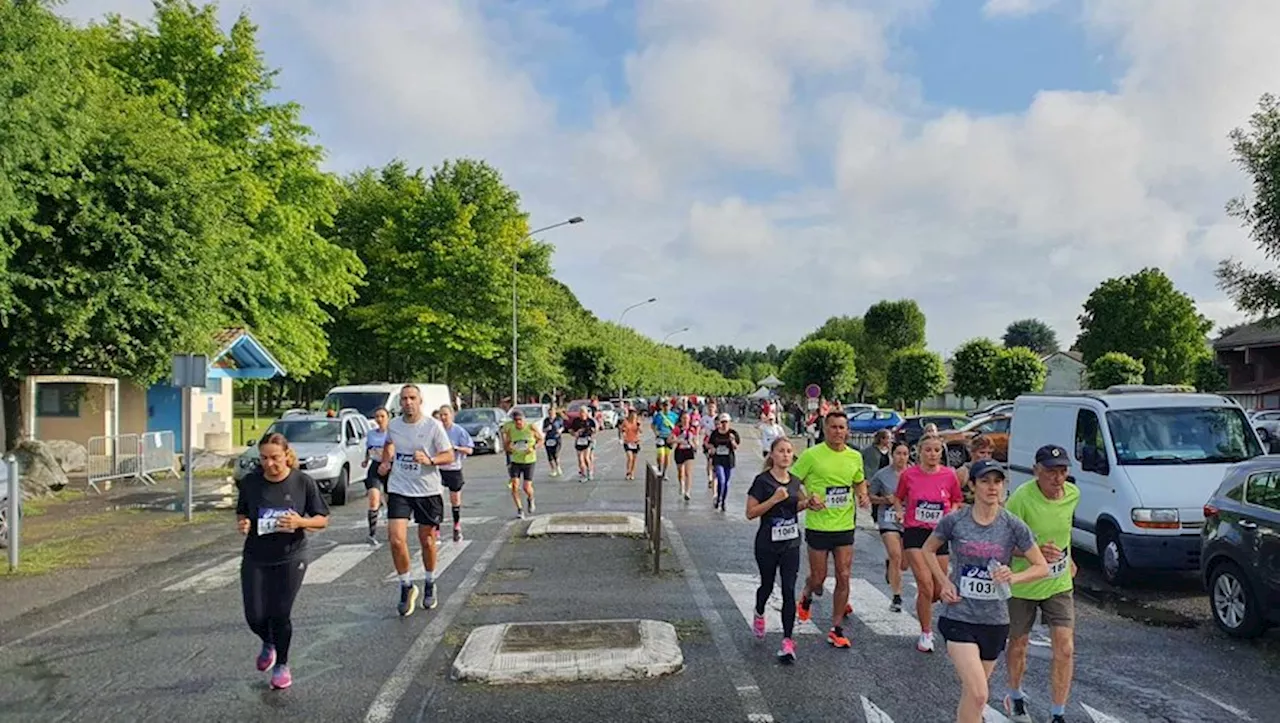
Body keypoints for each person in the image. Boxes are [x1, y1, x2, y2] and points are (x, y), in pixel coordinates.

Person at [924, 459, 1049, 723]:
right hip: (958, 616)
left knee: (972, 697)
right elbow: (927, 549)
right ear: (972, 485)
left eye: (998, 481)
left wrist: (1014, 576)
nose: (992, 487)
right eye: (985, 481)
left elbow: (1041, 567)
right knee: (980, 693)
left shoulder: (1012, 525)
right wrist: (943, 582)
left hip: (995, 621)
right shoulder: (955, 521)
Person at [236, 432, 329, 690]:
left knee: (279, 613)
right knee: (254, 615)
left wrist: (301, 522)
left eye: (275, 458)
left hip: (290, 556)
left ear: (286, 456)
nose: (269, 464)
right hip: (256, 555)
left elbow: (322, 519)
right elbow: (243, 512)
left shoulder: (302, 482)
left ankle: (282, 665)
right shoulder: (251, 483)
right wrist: (243, 523)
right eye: (263, 458)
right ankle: (268, 642)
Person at [1003, 445, 1080, 723]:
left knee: (1065, 647)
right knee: (1019, 644)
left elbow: (1064, 529)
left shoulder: (1073, 494)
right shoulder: (1021, 499)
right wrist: (1032, 553)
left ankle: (1058, 713)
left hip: (1058, 583)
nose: (1057, 478)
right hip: (1024, 583)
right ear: (1036, 471)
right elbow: (1002, 542)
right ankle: (1014, 694)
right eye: (1050, 472)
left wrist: (1068, 557)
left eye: (1062, 471)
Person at [793, 411, 868, 649]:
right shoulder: (811, 455)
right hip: (819, 524)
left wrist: (863, 494)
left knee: (844, 575)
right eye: (833, 427)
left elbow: (858, 481)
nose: (838, 431)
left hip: (844, 524)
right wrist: (806, 500)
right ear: (825, 429)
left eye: (842, 427)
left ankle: (836, 628)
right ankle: (806, 593)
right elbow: (793, 482)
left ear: (847, 430)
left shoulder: (855, 456)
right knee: (819, 579)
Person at [378, 384, 455, 617]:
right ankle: (406, 585)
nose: (408, 402)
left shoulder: (433, 426)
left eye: (412, 398)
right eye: (404, 399)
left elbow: (449, 455)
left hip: (427, 490)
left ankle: (430, 581)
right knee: (396, 539)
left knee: (427, 540)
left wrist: (430, 459)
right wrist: (385, 461)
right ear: (399, 402)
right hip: (400, 487)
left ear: (420, 401)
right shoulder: (394, 425)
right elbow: (388, 443)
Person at [894, 434, 965, 653]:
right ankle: (926, 633)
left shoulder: (949, 475)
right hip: (915, 532)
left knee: (937, 589)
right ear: (920, 452)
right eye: (928, 450)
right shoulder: (909, 475)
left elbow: (957, 500)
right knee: (925, 584)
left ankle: (923, 600)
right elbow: (898, 498)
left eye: (936, 450)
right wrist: (899, 512)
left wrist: (951, 514)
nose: (932, 454)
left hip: (940, 534)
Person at [746, 435, 812, 663]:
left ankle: (787, 641)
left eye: (789, 451)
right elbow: (750, 513)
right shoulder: (762, 481)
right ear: (772, 455)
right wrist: (773, 500)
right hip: (767, 543)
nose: (785, 455)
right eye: (781, 451)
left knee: (788, 590)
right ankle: (759, 611)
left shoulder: (795, 482)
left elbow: (799, 504)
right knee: (766, 585)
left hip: (791, 543)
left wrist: (809, 503)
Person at [869, 441, 909, 612]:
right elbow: (870, 496)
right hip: (887, 519)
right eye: (898, 453)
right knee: (896, 555)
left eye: (905, 454)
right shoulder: (882, 475)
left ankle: (891, 566)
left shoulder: (914, 474)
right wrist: (885, 500)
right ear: (892, 455)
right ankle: (897, 596)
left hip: (908, 521)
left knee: (905, 564)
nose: (901, 457)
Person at [437, 405, 474, 542]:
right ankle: (436, 529)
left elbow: (470, 450)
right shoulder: (436, 430)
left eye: (445, 414)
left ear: (452, 415)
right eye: (441, 415)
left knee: (455, 501)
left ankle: (457, 526)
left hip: (454, 469)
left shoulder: (459, 431)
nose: (443, 417)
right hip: (438, 469)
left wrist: (457, 448)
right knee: (436, 500)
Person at [505, 409, 543, 519]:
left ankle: (531, 498)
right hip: (516, 461)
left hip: (529, 460)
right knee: (514, 486)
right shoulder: (510, 429)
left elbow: (541, 440)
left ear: (524, 419)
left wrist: (534, 448)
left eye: (520, 420)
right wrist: (509, 448)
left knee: (526, 487)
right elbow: (506, 444)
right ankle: (520, 509)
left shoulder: (531, 427)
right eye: (515, 420)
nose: (518, 422)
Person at [363, 407, 390, 547]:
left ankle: (393, 529)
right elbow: (369, 449)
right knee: (373, 500)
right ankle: (371, 533)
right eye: (377, 417)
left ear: (388, 417)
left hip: (391, 468)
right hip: (375, 467)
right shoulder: (371, 434)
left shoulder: (392, 433)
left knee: (390, 501)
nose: (379, 419)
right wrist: (366, 460)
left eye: (382, 416)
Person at [707, 413, 741, 511]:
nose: (724, 424)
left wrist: (732, 441)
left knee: (726, 483)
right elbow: (709, 444)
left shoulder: (733, 433)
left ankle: (723, 502)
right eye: (722, 422)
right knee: (721, 480)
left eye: (726, 422)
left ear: (729, 422)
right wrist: (712, 447)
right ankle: (718, 498)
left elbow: (736, 447)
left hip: (729, 460)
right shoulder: (715, 433)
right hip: (718, 459)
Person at [955, 435, 995, 505]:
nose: (986, 456)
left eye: (989, 453)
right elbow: (952, 498)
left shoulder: (992, 472)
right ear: (972, 453)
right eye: (982, 452)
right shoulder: (963, 472)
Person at [671, 411, 699, 501]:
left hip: (689, 451)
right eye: (684, 418)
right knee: (680, 472)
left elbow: (696, 441)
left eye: (687, 418)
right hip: (679, 451)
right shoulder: (677, 429)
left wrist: (694, 445)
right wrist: (678, 441)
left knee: (688, 472)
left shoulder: (692, 429)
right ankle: (681, 484)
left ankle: (687, 492)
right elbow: (669, 440)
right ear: (681, 419)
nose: (685, 420)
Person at [569, 406, 597, 482]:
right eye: (580, 412)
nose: (582, 414)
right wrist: (574, 433)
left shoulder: (590, 421)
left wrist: (592, 431)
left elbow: (595, 430)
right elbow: (571, 430)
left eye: (583, 412)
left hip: (587, 440)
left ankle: (590, 471)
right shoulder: (576, 421)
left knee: (586, 458)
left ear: (586, 413)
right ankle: (583, 475)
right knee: (580, 459)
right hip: (579, 441)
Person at [651, 400, 678, 478]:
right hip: (660, 436)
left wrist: (675, 435)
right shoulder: (658, 415)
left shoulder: (674, 416)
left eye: (668, 406)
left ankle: (665, 472)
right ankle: (659, 466)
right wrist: (656, 432)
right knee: (661, 454)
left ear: (670, 407)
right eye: (665, 406)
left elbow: (677, 426)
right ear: (662, 407)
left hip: (669, 437)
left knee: (667, 455)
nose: (666, 407)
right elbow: (653, 425)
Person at [701, 401, 721, 488]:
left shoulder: (719, 418)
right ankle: (710, 479)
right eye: (709, 407)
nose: (711, 409)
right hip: (708, 441)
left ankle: (715, 477)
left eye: (712, 407)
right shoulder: (704, 418)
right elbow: (700, 429)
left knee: (715, 461)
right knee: (709, 461)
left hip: (718, 441)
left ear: (715, 408)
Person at [619, 409, 643, 480]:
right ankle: (628, 472)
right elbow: (621, 430)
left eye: (634, 417)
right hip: (628, 442)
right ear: (629, 416)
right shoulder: (626, 422)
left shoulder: (637, 422)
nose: (633, 418)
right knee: (630, 458)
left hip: (635, 442)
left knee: (634, 460)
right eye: (632, 416)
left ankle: (632, 472)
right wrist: (622, 435)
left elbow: (641, 431)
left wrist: (638, 426)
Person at [542, 408, 565, 477]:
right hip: (548, 439)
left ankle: (558, 466)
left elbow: (563, 427)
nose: (551, 414)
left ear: (554, 413)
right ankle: (553, 469)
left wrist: (560, 430)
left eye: (552, 413)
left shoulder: (559, 419)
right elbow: (543, 430)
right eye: (549, 413)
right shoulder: (546, 420)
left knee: (555, 454)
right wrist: (547, 429)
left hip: (556, 438)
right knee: (549, 455)